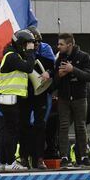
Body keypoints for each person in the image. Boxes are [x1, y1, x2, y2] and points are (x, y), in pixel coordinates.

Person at [0, 29, 36, 171]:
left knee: (6, 130)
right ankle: (10, 162)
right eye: (26, 45)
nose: (27, 47)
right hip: (9, 97)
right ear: (20, 44)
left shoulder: (10, 55)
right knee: (11, 130)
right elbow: (29, 68)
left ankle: (3, 162)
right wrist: (30, 53)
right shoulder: (12, 57)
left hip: (6, 97)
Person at [54, 33, 90, 168]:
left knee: (81, 127)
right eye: (58, 44)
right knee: (63, 126)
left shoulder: (84, 56)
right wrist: (59, 75)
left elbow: (89, 76)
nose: (58, 46)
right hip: (64, 98)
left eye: (61, 44)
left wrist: (73, 69)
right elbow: (54, 81)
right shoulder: (59, 58)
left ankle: (83, 156)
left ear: (69, 45)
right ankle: (65, 157)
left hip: (79, 97)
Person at [18, 26, 55, 170]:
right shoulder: (19, 50)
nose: (37, 45)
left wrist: (49, 73)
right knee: (23, 126)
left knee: (40, 126)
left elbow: (54, 66)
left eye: (38, 42)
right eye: (34, 42)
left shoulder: (45, 49)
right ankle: (24, 157)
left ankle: (39, 159)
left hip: (41, 91)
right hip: (24, 92)